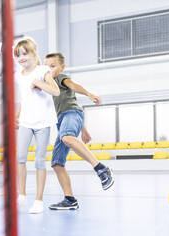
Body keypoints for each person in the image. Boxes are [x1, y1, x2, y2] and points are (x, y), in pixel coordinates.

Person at [44, 52, 114, 210]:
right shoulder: (48, 85)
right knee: (56, 163)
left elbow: (74, 87)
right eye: (46, 67)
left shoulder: (60, 78)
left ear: (62, 67)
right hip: (64, 120)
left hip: (71, 115)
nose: (49, 69)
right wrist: (84, 129)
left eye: (53, 66)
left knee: (67, 137)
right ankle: (70, 200)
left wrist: (89, 94)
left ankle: (101, 168)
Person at [13, 38, 60, 214]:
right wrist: (18, 115)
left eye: (25, 53)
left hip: (43, 123)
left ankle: (39, 200)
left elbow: (55, 91)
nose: (21, 57)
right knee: (20, 158)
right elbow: (25, 99)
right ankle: (22, 194)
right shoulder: (18, 76)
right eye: (18, 55)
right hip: (26, 121)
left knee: (39, 160)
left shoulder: (42, 70)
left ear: (34, 54)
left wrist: (39, 83)